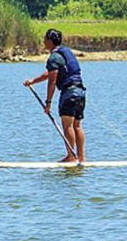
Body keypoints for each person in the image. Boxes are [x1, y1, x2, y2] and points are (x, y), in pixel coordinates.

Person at [24, 29, 87, 163]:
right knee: (77, 125)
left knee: (68, 125)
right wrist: (33, 81)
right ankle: (81, 158)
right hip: (80, 92)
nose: (43, 42)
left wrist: (48, 103)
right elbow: (50, 73)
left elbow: (52, 81)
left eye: (45, 39)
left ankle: (71, 157)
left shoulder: (53, 57)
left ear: (50, 41)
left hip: (69, 93)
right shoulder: (66, 53)